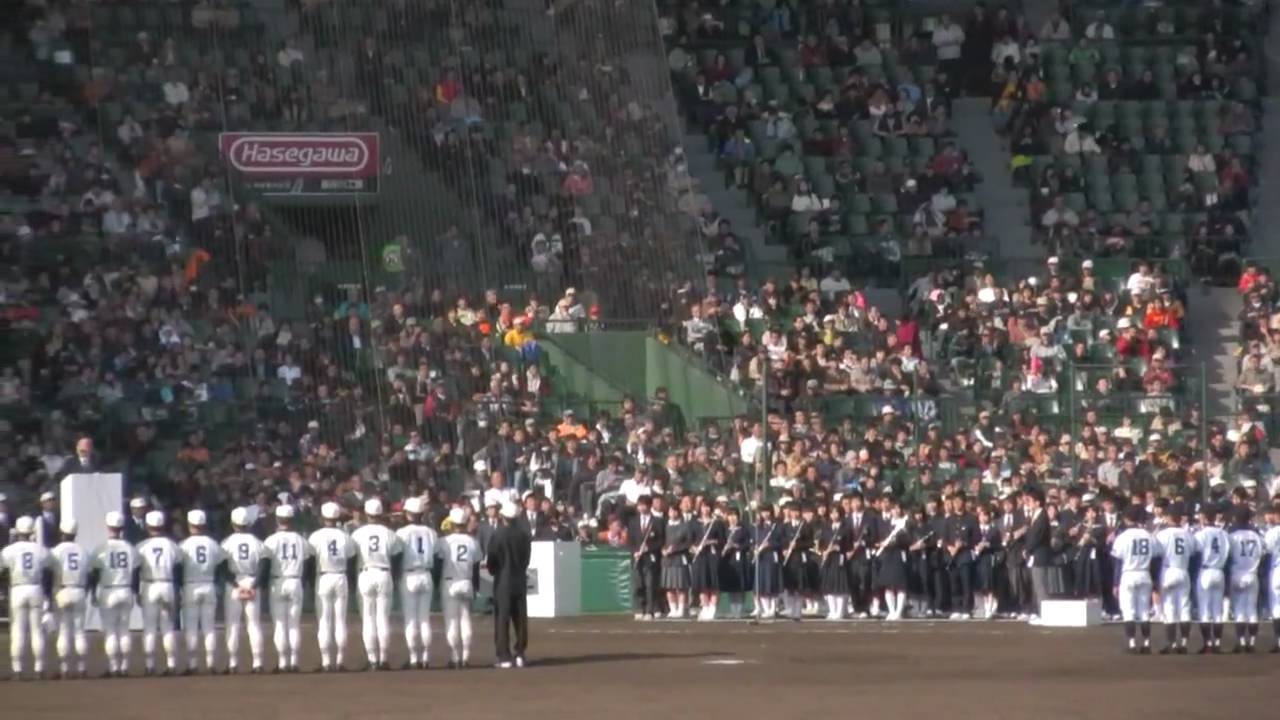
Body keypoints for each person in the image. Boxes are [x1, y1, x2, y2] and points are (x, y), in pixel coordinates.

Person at [351, 498, 400, 670]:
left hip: (365, 573)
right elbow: (397, 556)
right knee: (382, 618)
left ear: (366, 514)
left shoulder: (358, 533)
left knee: (368, 619)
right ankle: (383, 658)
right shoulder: (389, 533)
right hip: (384, 573)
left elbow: (351, 557)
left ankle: (372, 659)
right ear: (381, 514)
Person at [308, 502, 356, 671]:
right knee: (340, 621)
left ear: (323, 517)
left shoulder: (315, 536)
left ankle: (326, 662)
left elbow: (310, 561)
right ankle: (340, 661)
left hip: (324, 578)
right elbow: (351, 560)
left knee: (324, 621)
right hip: (341, 575)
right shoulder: (346, 536)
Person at [221, 506, 268, 673]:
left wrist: (236, 586)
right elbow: (264, 565)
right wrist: (254, 586)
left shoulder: (227, 542)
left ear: (233, 523)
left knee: (232, 625)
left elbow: (223, 568)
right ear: (248, 523)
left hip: (234, 583)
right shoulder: (257, 542)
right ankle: (258, 663)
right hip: (252, 579)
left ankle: (233, 664)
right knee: (254, 625)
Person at [264, 505, 311, 672]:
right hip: (295, 581)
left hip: (278, 582)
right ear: (292, 520)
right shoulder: (301, 539)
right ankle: (294, 662)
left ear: (277, 519)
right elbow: (307, 564)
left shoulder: (271, 540)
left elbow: (265, 564)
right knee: (293, 624)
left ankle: (283, 663)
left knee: (280, 625)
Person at [90, 511, 137, 677]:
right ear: (122, 527)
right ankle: (124, 666)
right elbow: (136, 570)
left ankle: (113, 667)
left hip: (108, 590)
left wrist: (93, 592)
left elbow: (94, 573)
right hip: (125, 589)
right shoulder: (130, 548)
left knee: (110, 631)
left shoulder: (101, 548)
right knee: (124, 630)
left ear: (108, 527)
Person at [2, 516, 49, 679]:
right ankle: (39, 668)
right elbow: (47, 568)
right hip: (35, 587)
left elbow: (2, 569)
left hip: (18, 588)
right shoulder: (40, 549)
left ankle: (17, 669)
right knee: (37, 630)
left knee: (18, 631)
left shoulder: (9, 550)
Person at [136, 510, 181, 675]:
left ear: (148, 526)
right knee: (168, 627)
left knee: (149, 628)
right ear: (162, 526)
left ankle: (149, 665)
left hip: (150, 586)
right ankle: (171, 664)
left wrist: (136, 592)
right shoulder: (171, 544)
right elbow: (178, 568)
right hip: (167, 585)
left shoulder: (141, 546)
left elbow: (136, 570)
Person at [1111, 505, 1161, 654]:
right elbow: (1156, 558)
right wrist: (1155, 581)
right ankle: (1146, 644)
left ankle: (1132, 644)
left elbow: (1117, 562)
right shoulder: (1149, 535)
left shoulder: (1123, 537)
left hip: (1128, 574)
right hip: (1145, 574)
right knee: (1144, 611)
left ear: (1127, 519)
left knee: (1129, 611)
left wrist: (1115, 583)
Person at [488, 501, 532, 668]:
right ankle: (520, 653)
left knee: (502, 618)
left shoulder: (498, 535)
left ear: (503, 516)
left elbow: (492, 559)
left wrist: (495, 571)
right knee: (520, 618)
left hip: (503, 581)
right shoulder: (524, 535)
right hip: (519, 579)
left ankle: (504, 656)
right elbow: (527, 559)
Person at [396, 497, 438, 669]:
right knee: (424, 619)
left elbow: (397, 556)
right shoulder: (431, 532)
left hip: (409, 575)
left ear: (408, 514)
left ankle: (414, 658)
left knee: (411, 619)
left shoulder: (402, 533)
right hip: (426, 574)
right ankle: (426, 657)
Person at [179, 509, 222, 674]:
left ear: (190, 525)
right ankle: (211, 663)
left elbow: (178, 567)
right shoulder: (212, 543)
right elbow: (220, 566)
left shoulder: (184, 545)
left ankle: (193, 664)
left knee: (191, 627)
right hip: (208, 584)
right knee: (209, 627)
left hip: (190, 585)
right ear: (203, 524)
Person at [437, 506, 481, 668]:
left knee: (452, 621)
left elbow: (439, 561)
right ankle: (466, 657)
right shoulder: (473, 541)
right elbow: (476, 565)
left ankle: (455, 657)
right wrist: (476, 587)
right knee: (465, 619)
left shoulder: (444, 541)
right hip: (466, 581)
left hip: (450, 581)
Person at [49, 519, 89, 679]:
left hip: (62, 590)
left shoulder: (56, 550)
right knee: (79, 632)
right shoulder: (83, 550)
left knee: (64, 631)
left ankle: (64, 668)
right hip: (79, 590)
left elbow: (49, 573)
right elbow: (89, 573)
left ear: (62, 533)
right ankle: (81, 668)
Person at [1153, 506, 1196, 653]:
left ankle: (1171, 644)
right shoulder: (1188, 534)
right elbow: (1193, 553)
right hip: (1183, 571)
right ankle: (1183, 644)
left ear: (1169, 518)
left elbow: (1156, 554)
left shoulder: (1163, 534)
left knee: (1169, 608)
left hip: (1168, 571)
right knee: (1184, 607)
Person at [1226, 507, 1263, 653]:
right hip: (1252, 574)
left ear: (1235, 518)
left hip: (1237, 573)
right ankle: (1252, 643)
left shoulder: (1232, 535)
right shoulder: (1256, 536)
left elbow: (1227, 555)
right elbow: (1263, 553)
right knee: (1252, 610)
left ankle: (1241, 642)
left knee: (1240, 610)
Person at [1193, 507, 1230, 653]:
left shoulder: (1201, 534)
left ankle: (1208, 643)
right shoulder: (1224, 533)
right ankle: (1218, 643)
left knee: (1205, 610)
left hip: (1205, 571)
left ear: (1203, 517)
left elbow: (1195, 554)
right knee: (1217, 610)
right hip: (1219, 571)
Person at [874, 499, 911, 621]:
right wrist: (881, 543)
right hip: (887, 556)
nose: (896, 511)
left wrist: (897, 541)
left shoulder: (905, 524)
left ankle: (899, 612)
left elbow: (908, 540)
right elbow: (880, 537)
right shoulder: (887, 524)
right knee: (888, 585)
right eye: (894, 508)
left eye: (898, 508)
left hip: (899, 556)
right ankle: (891, 610)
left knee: (900, 585)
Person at [628, 494, 664, 620]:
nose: (642, 508)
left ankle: (650, 610)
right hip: (637, 557)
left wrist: (650, 548)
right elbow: (630, 541)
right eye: (640, 505)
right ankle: (640, 608)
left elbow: (661, 540)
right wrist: (635, 551)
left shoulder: (657, 522)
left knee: (650, 583)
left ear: (649, 506)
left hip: (651, 557)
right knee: (638, 583)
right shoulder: (632, 522)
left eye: (644, 505)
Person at [689, 501, 724, 621]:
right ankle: (705, 606)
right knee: (702, 582)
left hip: (712, 555)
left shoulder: (717, 523)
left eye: (708, 506)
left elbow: (722, 540)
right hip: (700, 556)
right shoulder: (694, 523)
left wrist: (712, 542)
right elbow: (690, 540)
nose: (706, 509)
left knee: (713, 582)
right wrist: (693, 547)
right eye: (704, 507)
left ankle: (713, 607)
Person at [1023, 489, 1053, 623]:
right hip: (1035, 554)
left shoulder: (1042, 517)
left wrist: (1027, 549)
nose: (1028, 503)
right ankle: (1037, 611)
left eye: (1030, 501)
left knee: (1040, 585)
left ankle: (1045, 614)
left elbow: (1037, 537)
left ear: (1037, 502)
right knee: (1036, 584)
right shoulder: (1035, 516)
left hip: (1040, 554)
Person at [719, 506, 751, 619]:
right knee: (731, 585)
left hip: (740, 559)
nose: (732, 518)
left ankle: (740, 609)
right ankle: (733, 609)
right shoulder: (724, 530)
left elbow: (748, 544)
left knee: (740, 585)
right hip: (728, 560)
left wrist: (737, 546)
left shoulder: (743, 529)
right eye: (730, 515)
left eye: (734, 515)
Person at [661, 502, 692, 618]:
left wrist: (675, 549)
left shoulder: (685, 526)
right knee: (669, 586)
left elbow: (688, 543)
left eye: (674, 511)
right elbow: (661, 541)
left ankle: (681, 608)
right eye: (670, 511)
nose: (672, 513)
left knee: (681, 586)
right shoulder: (665, 526)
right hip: (667, 560)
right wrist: (663, 550)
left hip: (679, 559)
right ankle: (672, 609)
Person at [818, 505, 850, 620]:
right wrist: (823, 551)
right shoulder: (826, 528)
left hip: (839, 558)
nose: (834, 515)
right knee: (830, 586)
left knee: (840, 586)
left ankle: (840, 611)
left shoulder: (845, 528)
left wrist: (839, 547)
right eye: (832, 513)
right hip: (829, 559)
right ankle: (832, 610)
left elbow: (849, 545)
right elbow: (821, 544)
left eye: (836, 513)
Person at [752, 502, 783, 619]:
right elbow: (754, 541)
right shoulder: (758, 527)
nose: (765, 514)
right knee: (762, 584)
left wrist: (770, 544)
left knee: (773, 582)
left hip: (772, 556)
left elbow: (781, 542)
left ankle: (773, 608)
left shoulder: (777, 526)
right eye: (763, 512)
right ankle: (765, 608)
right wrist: (755, 548)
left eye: (767, 511)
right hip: (761, 558)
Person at [972, 505, 1002, 620]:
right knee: (982, 584)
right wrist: (976, 547)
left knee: (989, 583)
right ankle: (985, 605)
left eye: (986, 515)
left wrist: (988, 545)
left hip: (989, 558)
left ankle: (989, 607)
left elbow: (998, 545)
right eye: (981, 516)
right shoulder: (976, 530)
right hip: (978, 559)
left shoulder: (994, 530)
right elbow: (971, 542)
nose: (984, 518)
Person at [1263, 503, 1280, 652]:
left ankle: (1279, 641)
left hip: (1277, 571)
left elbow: (1266, 551)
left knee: (1277, 608)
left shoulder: (1273, 532)